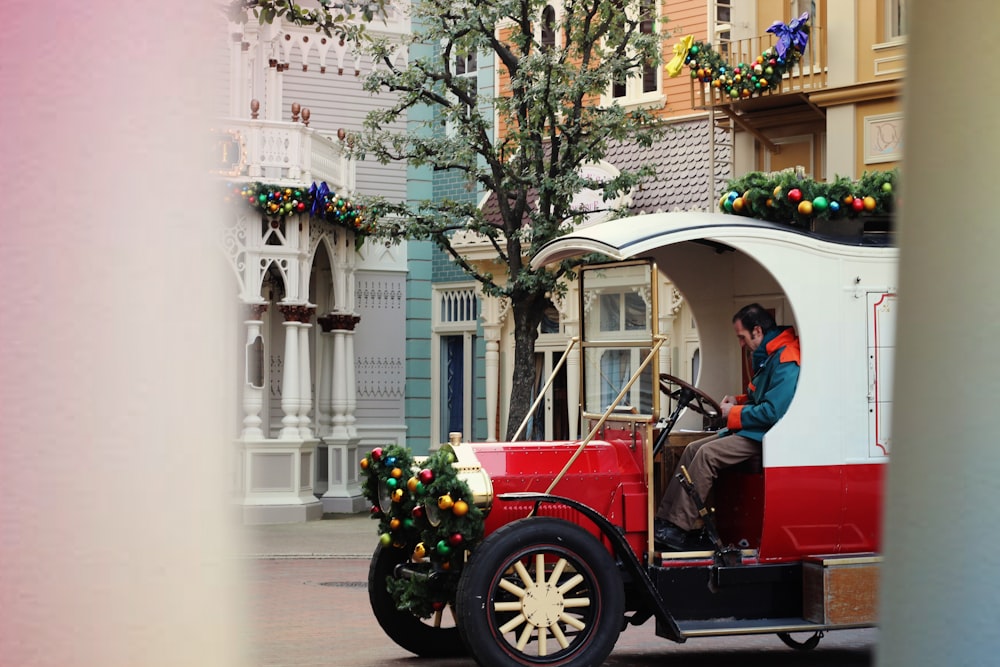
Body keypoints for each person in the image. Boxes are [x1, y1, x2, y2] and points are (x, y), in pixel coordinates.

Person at [654, 303, 801, 551]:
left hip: (769, 437)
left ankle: (678, 528)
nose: (741, 344)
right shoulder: (770, 354)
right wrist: (738, 400)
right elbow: (762, 398)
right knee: (691, 449)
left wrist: (733, 413)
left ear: (757, 331)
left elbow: (774, 411)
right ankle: (666, 520)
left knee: (707, 455)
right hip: (755, 431)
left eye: (742, 337)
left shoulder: (786, 358)